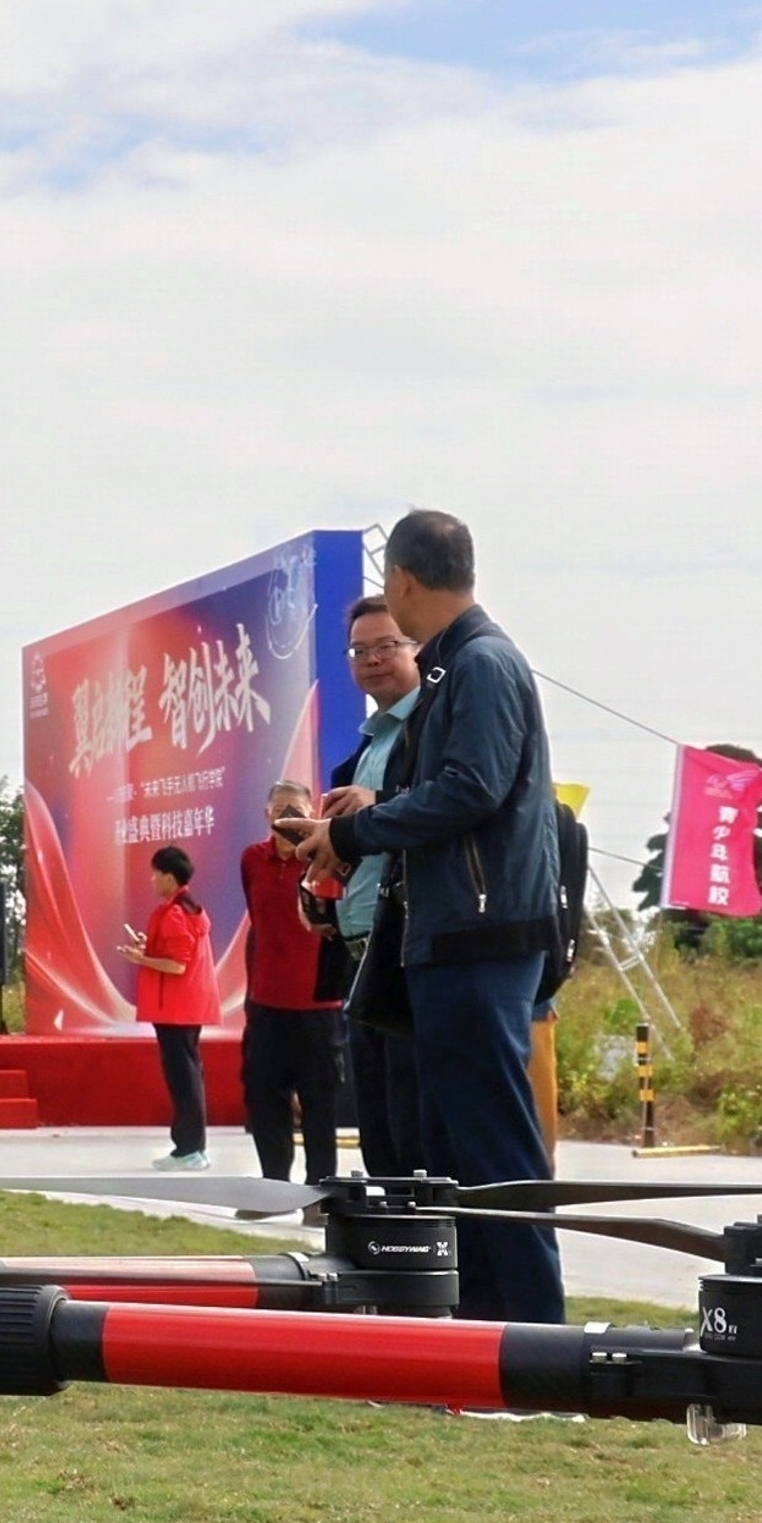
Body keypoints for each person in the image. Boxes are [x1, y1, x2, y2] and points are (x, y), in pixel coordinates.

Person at [302, 512, 569, 1324]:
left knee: (495, 1147)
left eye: (389, 587)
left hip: (482, 937)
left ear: (406, 581)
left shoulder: (483, 664)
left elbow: (470, 789)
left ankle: (529, 1344)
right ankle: (484, 1335)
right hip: (451, 935)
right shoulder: (458, 669)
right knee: (455, 1148)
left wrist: (352, 829)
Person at [323, 599, 426, 1177]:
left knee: (416, 1141)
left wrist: (378, 805)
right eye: (359, 651)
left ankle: (430, 1263)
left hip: (411, 953)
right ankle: (392, 1263)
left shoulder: (431, 727)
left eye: (388, 646)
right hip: (363, 955)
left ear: (418, 648)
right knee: (381, 1138)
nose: (372, 660)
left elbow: (447, 808)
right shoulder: (366, 749)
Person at [234, 796, 344, 1183]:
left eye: (295, 810)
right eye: (280, 810)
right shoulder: (252, 859)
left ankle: (318, 1192)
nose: (287, 818)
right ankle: (274, 1185)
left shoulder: (327, 858)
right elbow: (258, 921)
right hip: (266, 1004)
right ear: (267, 814)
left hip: (319, 1004)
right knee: (263, 1098)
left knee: (319, 1104)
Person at [127, 844, 217, 1159]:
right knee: (188, 1075)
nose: (151, 880)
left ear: (168, 877)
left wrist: (142, 958)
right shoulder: (188, 907)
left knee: (184, 1079)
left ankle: (190, 1148)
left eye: (155, 874)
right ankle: (189, 1145)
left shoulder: (175, 913)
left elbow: (178, 965)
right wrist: (147, 950)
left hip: (176, 1008)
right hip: (185, 1007)